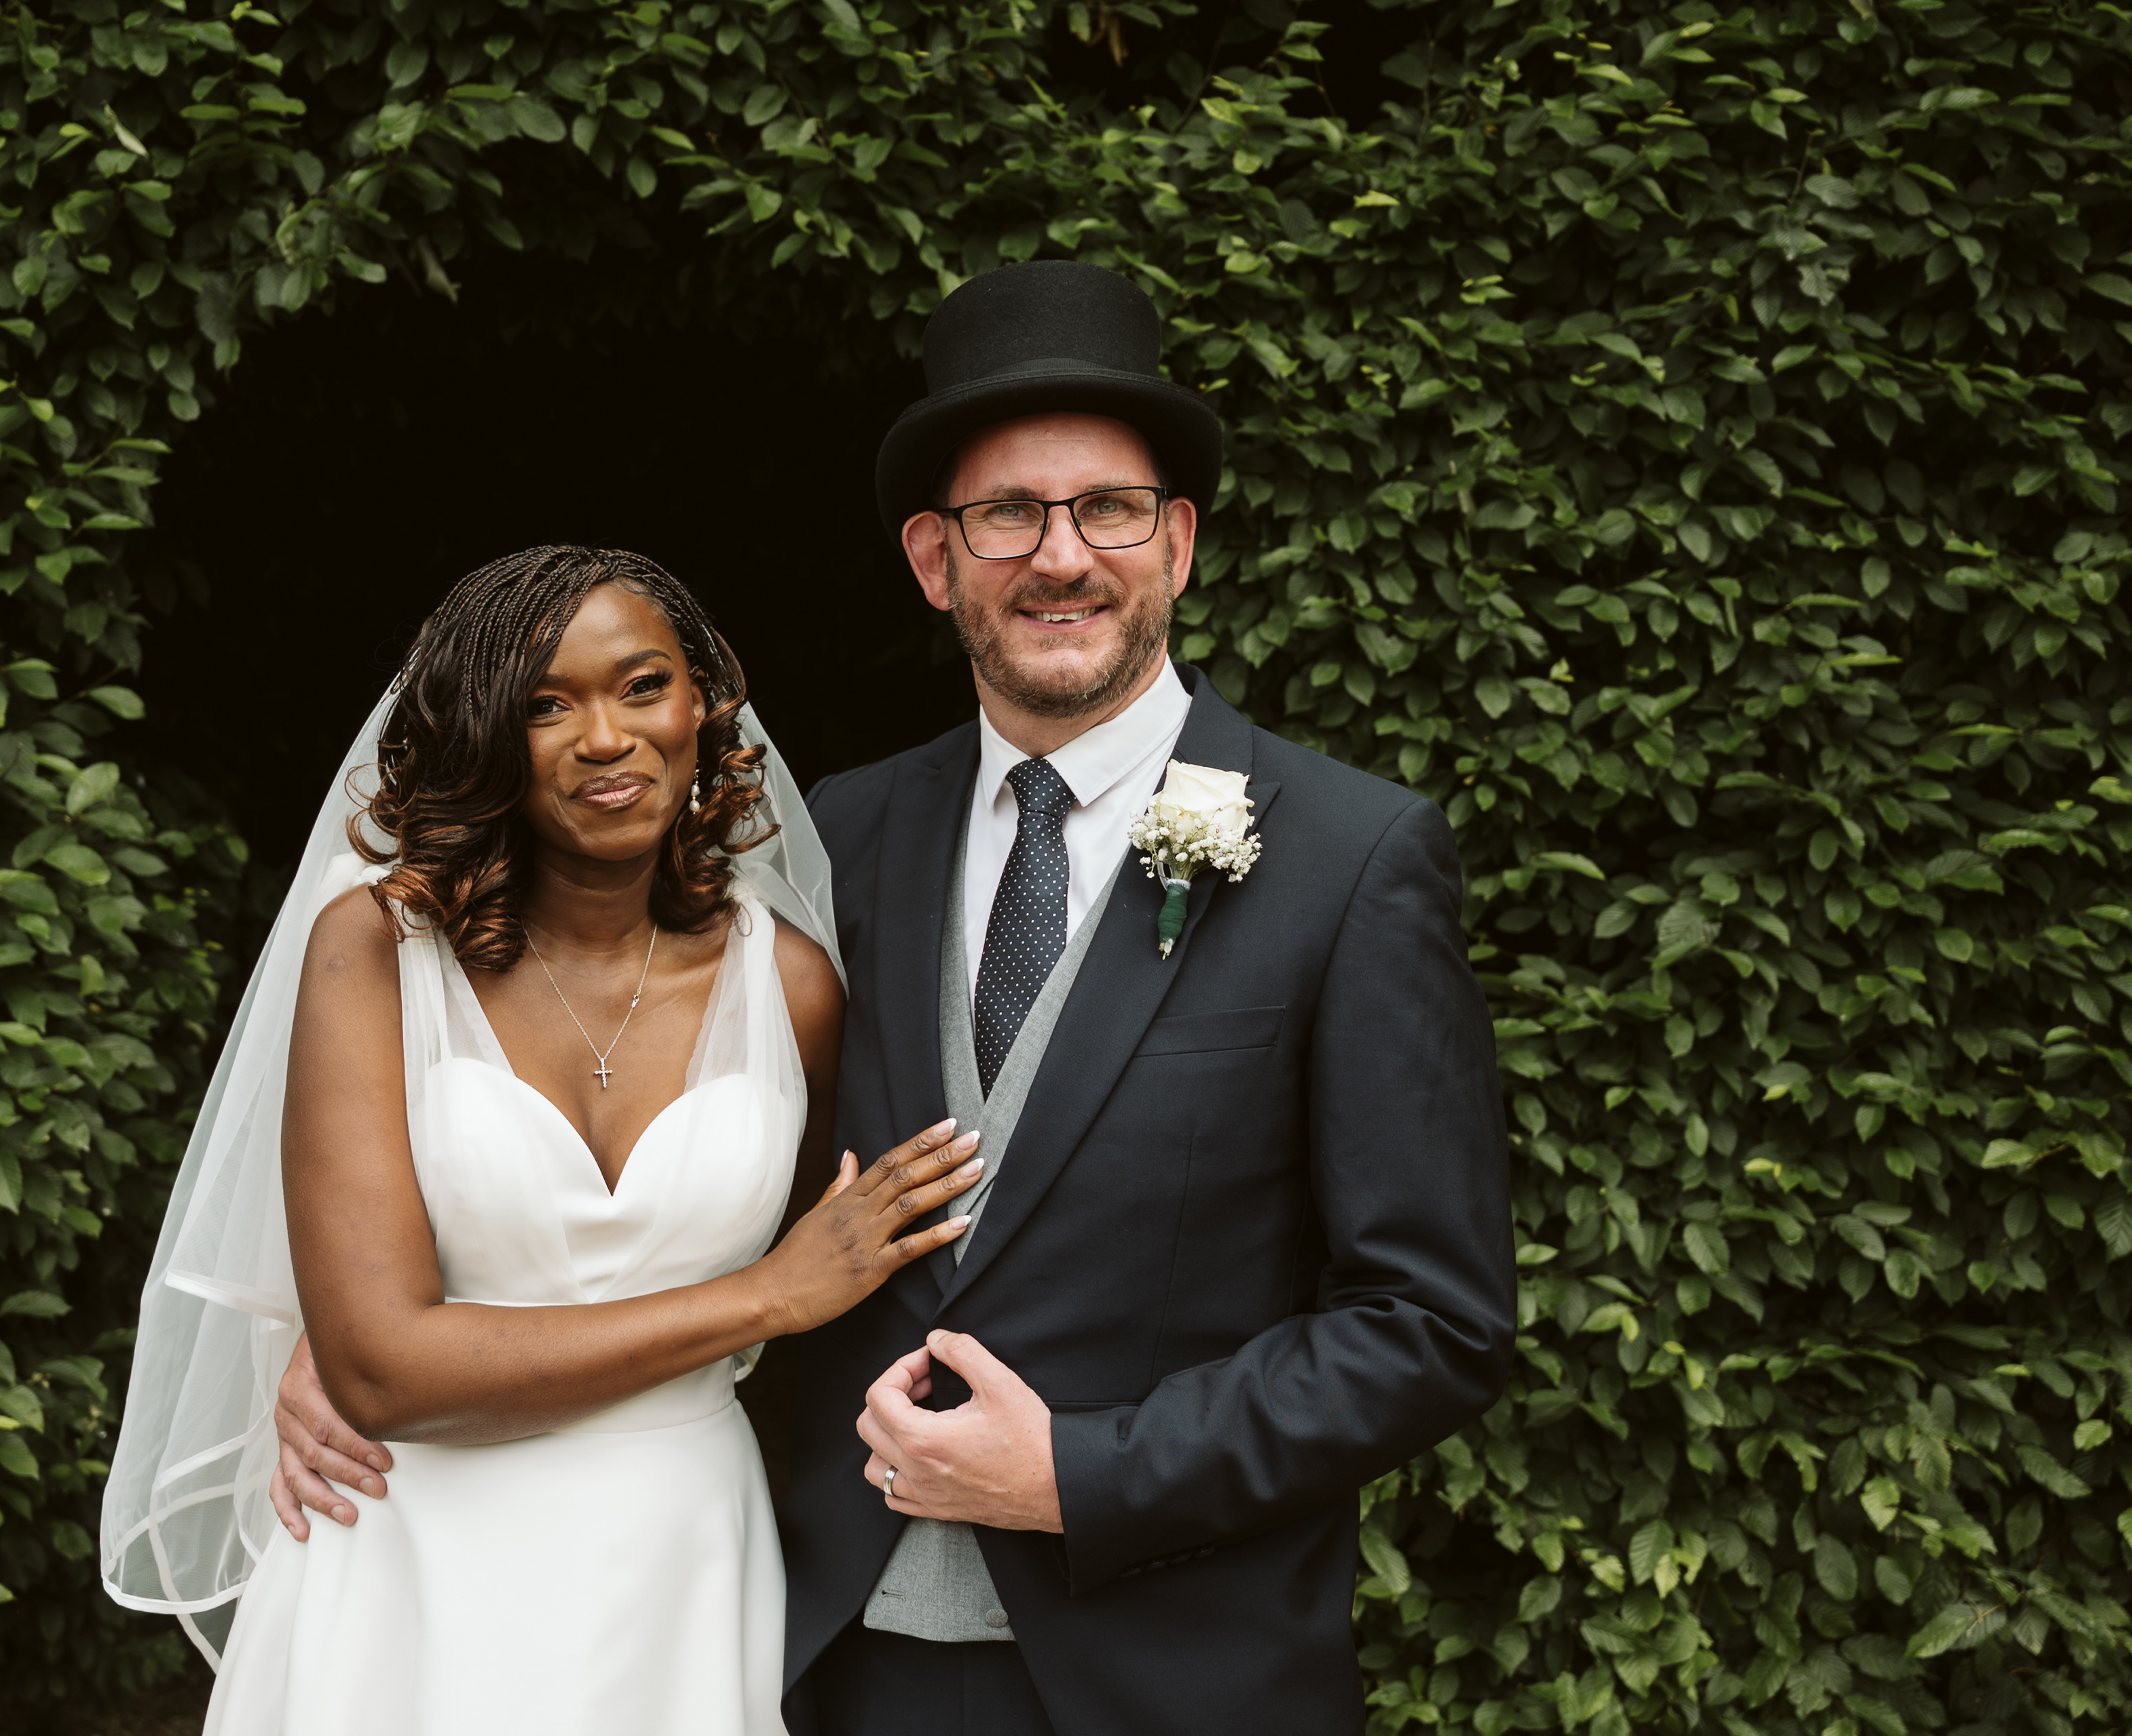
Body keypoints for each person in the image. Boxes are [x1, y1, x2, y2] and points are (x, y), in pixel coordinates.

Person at [274, 262, 1520, 1736]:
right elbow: (683, 1138)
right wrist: (378, 1333)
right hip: (832, 1653)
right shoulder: (834, 847)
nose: (1062, 557)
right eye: (1009, 516)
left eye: (1110, 509)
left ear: (1178, 542)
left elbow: (1430, 1321)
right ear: (936, 560)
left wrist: (1083, 1473)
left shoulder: (1352, 856)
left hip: (1171, 1669)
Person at [98, 546, 1003, 1735]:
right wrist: (764, 1298)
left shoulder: (789, 985)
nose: (606, 737)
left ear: (700, 706)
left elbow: (850, 1291)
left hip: (680, 1564)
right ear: (479, 736)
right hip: (412, 1563)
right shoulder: (375, 952)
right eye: (544, 705)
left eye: (643, 686)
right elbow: (379, 1366)